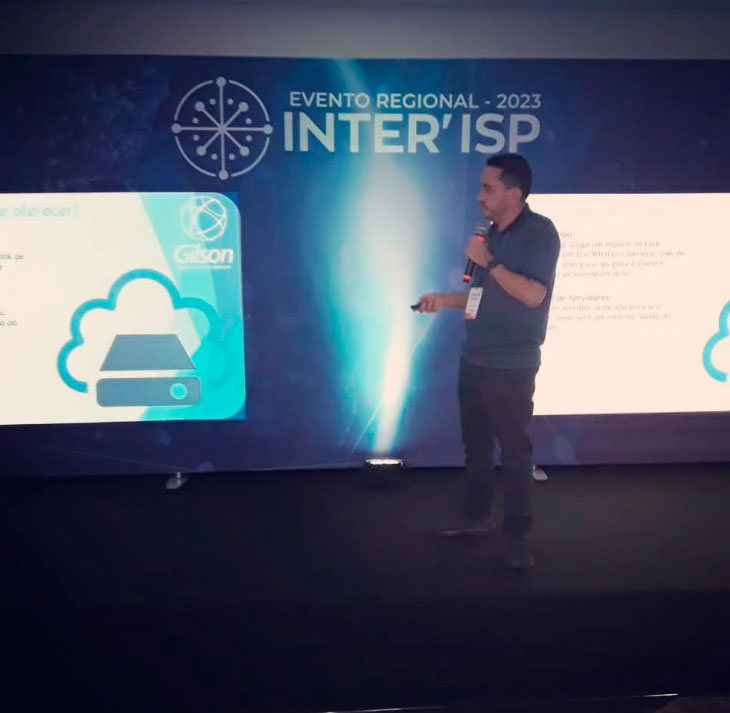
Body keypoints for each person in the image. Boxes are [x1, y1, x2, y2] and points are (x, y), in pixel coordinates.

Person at [417, 153, 560, 569]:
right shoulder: (490, 235)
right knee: (476, 445)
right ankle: (477, 517)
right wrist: (443, 300)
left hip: (512, 365)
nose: (479, 196)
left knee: (514, 451)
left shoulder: (540, 233)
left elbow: (532, 295)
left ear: (513, 194)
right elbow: (480, 297)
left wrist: (491, 262)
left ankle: (517, 537)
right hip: (474, 357)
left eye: (487, 188)